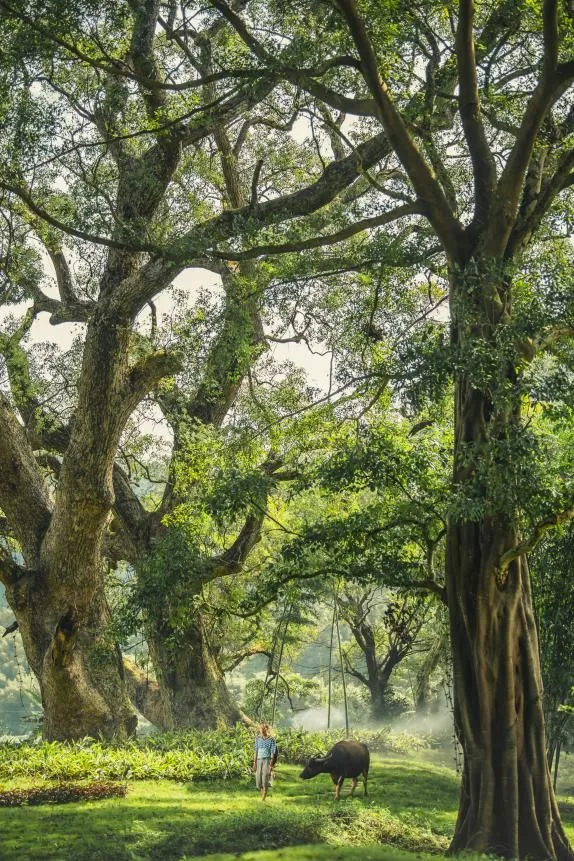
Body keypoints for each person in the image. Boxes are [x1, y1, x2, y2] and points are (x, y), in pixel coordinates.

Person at [253, 722, 278, 800]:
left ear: (267, 729)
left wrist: (271, 765)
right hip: (258, 760)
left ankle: (263, 798)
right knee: (259, 778)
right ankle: (262, 797)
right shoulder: (257, 739)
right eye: (261, 729)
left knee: (265, 778)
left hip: (267, 760)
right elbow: (256, 751)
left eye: (263, 728)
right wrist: (254, 763)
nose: (262, 730)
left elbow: (272, 753)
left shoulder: (271, 739)